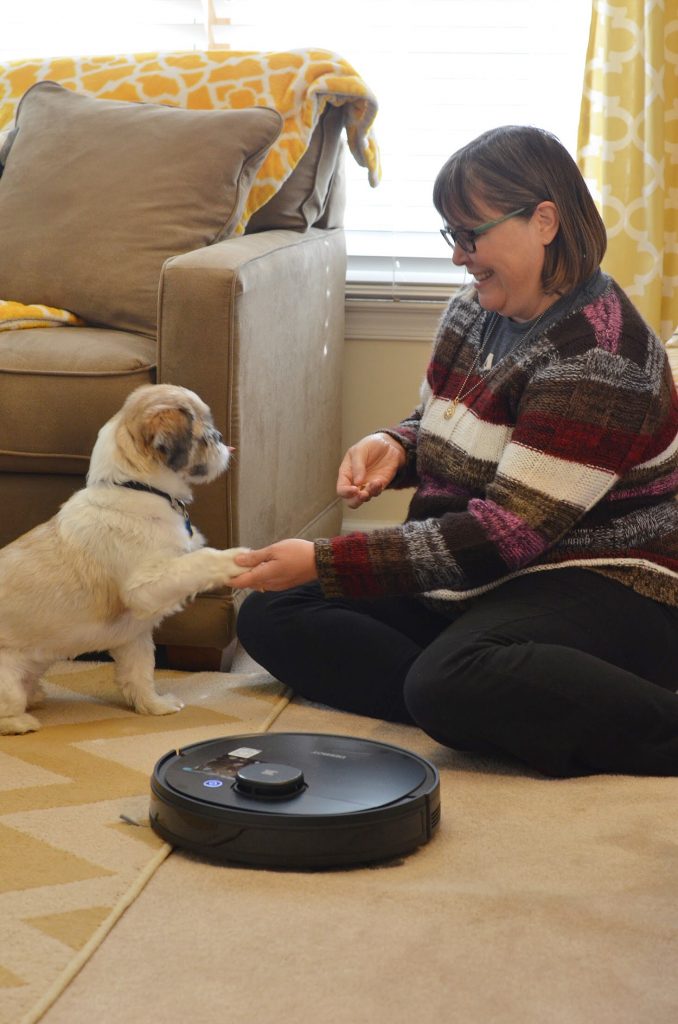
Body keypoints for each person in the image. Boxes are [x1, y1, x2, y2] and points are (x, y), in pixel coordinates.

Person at [232, 124, 678, 779]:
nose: (458, 257)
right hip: (492, 577)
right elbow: (447, 421)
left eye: (472, 236)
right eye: (452, 235)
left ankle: (532, 697)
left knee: (441, 676)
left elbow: (502, 538)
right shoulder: (477, 309)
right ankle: (494, 697)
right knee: (273, 613)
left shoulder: (597, 356)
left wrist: (326, 559)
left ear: (544, 221)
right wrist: (397, 444)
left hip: (602, 580)